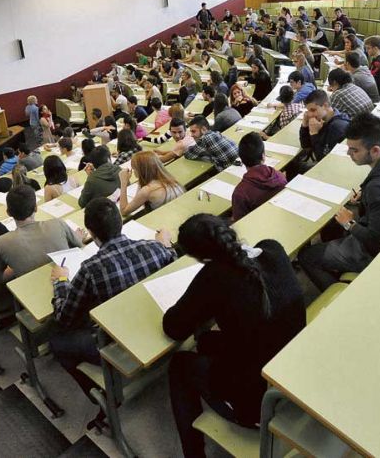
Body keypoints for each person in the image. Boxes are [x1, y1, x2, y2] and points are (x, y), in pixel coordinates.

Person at [164, 214, 304, 458]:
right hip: (292, 374)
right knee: (206, 341)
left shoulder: (214, 276)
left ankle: (194, 453)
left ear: (201, 257)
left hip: (259, 403)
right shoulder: (272, 248)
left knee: (178, 364)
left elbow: (174, 327)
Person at [50, 198, 177, 404]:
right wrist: (166, 244)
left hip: (120, 340)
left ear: (91, 233)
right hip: (157, 322)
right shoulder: (155, 248)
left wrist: (61, 281)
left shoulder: (90, 269)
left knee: (57, 341)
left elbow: (65, 318)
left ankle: (102, 397)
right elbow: (174, 265)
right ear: (120, 221)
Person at [297, 113, 380, 290]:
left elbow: (375, 241)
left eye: (354, 150)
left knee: (307, 256)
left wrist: (349, 224)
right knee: (333, 225)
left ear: (375, 150)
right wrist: (365, 196)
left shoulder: (379, 189)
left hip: (377, 251)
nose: (349, 153)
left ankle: (338, 296)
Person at [0, 185, 85, 288]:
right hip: (68, 284)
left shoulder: (1, 243)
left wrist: (15, 267)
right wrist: (78, 237)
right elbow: (80, 245)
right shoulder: (58, 223)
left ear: (8, 212)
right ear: (36, 208)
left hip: (31, 291)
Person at [231, 133, 287, 221]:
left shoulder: (240, 193)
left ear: (241, 160)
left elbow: (239, 222)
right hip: (280, 220)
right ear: (263, 156)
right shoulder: (280, 177)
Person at [118, 151, 184, 216]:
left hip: (164, 217)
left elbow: (124, 211)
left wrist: (123, 182)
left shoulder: (147, 190)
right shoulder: (170, 179)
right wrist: (141, 179)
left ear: (140, 170)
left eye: (134, 169)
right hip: (175, 213)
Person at [297, 89, 351, 169]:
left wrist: (314, 134)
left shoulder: (336, 127)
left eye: (313, 110)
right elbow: (305, 145)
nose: (310, 114)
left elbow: (321, 159)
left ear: (325, 105)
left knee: (293, 166)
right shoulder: (323, 120)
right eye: (308, 111)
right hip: (329, 164)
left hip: (333, 168)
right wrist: (305, 124)